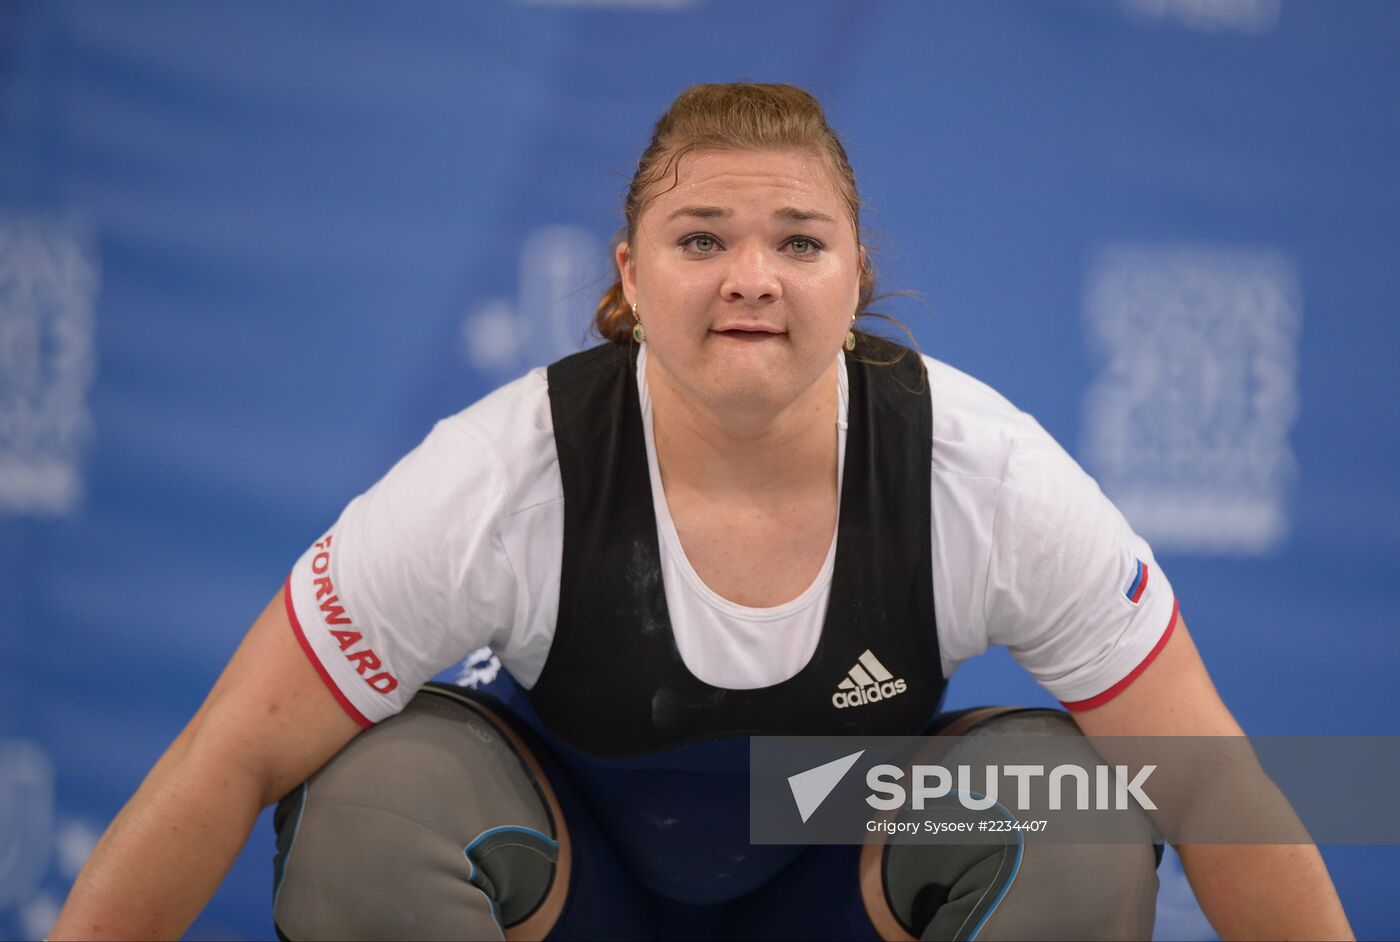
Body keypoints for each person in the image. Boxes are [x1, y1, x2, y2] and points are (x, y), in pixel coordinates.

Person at [53, 83, 1351, 941]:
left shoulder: (985, 472)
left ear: (857, 275)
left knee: (1075, 806)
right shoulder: (503, 474)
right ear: (627, 274)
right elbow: (227, 752)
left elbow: (1211, 785)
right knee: (367, 808)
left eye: (798, 241)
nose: (751, 279)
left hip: (842, 876)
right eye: (700, 239)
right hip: (580, 886)